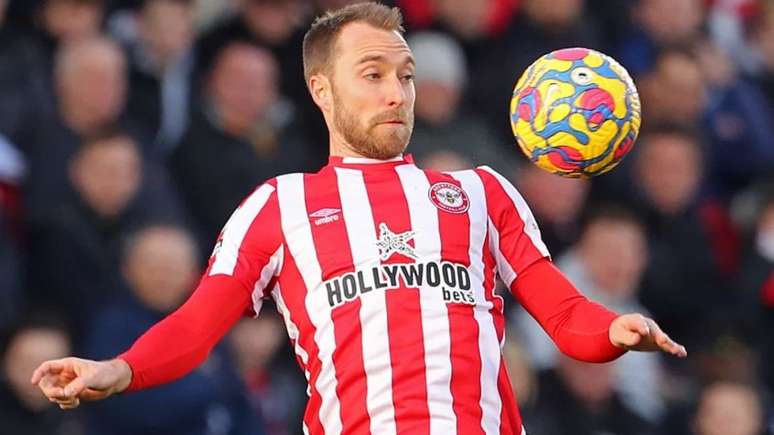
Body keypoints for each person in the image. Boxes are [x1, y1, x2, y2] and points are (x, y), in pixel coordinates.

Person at [31, 3, 687, 435]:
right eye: (372, 73)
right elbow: (197, 326)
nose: (396, 92)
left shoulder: (481, 192)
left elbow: (566, 314)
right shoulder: (279, 205)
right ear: (321, 89)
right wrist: (118, 369)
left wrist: (616, 328)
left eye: (403, 75)